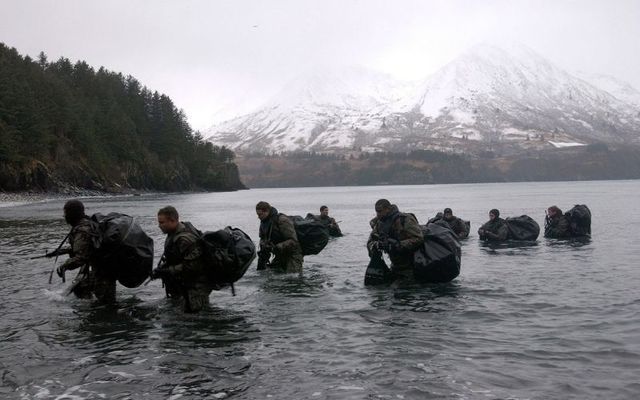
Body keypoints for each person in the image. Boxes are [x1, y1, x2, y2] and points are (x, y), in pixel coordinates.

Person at [151, 206, 214, 313]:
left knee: (195, 318)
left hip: (195, 288)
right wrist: (161, 270)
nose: (159, 226)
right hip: (184, 285)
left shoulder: (185, 238)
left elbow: (194, 266)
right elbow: (176, 258)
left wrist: (167, 271)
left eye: (162, 222)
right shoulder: (173, 234)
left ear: (173, 220)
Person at [55, 199, 116, 303]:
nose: (64, 216)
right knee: (80, 288)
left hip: (103, 273)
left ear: (71, 213)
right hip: (103, 270)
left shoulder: (82, 229)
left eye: (65, 213)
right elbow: (88, 247)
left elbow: (81, 257)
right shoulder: (88, 223)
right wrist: (65, 251)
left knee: (107, 306)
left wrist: (64, 266)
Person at [366, 199, 423, 279]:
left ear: (388, 209)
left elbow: (419, 238)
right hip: (395, 266)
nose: (378, 214)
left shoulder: (405, 219)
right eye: (376, 212)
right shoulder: (380, 224)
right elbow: (371, 241)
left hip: (412, 266)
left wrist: (397, 245)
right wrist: (376, 245)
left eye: (380, 211)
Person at [256, 201, 303, 273]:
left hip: (293, 254)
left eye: (260, 214)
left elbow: (293, 241)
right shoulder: (264, 223)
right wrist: (265, 245)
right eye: (258, 214)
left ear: (267, 211)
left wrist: (277, 247)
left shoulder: (282, 220)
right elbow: (262, 238)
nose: (258, 217)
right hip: (279, 255)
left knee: (292, 277)